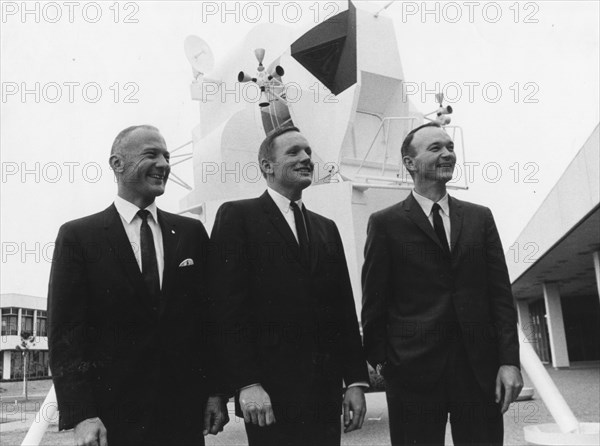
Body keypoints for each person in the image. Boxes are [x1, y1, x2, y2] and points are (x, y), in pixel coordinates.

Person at [48, 125, 228, 446]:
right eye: (151, 154)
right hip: (113, 420)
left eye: (167, 156)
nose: (164, 164)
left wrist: (215, 392)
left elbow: (209, 322)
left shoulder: (191, 233)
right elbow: (66, 334)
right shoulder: (79, 237)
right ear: (117, 164)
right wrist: (82, 414)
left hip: (183, 417)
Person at [361, 122, 523, 446]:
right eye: (435, 148)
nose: (447, 153)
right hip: (412, 375)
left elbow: (500, 297)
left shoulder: (480, 219)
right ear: (409, 163)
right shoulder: (385, 224)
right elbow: (374, 301)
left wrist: (509, 361)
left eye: (449, 147)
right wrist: (386, 363)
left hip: (479, 373)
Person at [208, 125, 369, 446]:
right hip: (268, 397)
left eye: (308, 151)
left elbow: (343, 311)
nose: (306, 158)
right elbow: (225, 309)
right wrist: (246, 383)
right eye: (294, 152)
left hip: (323, 396)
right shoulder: (238, 217)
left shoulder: (326, 229)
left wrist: (355, 381)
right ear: (267, 166)